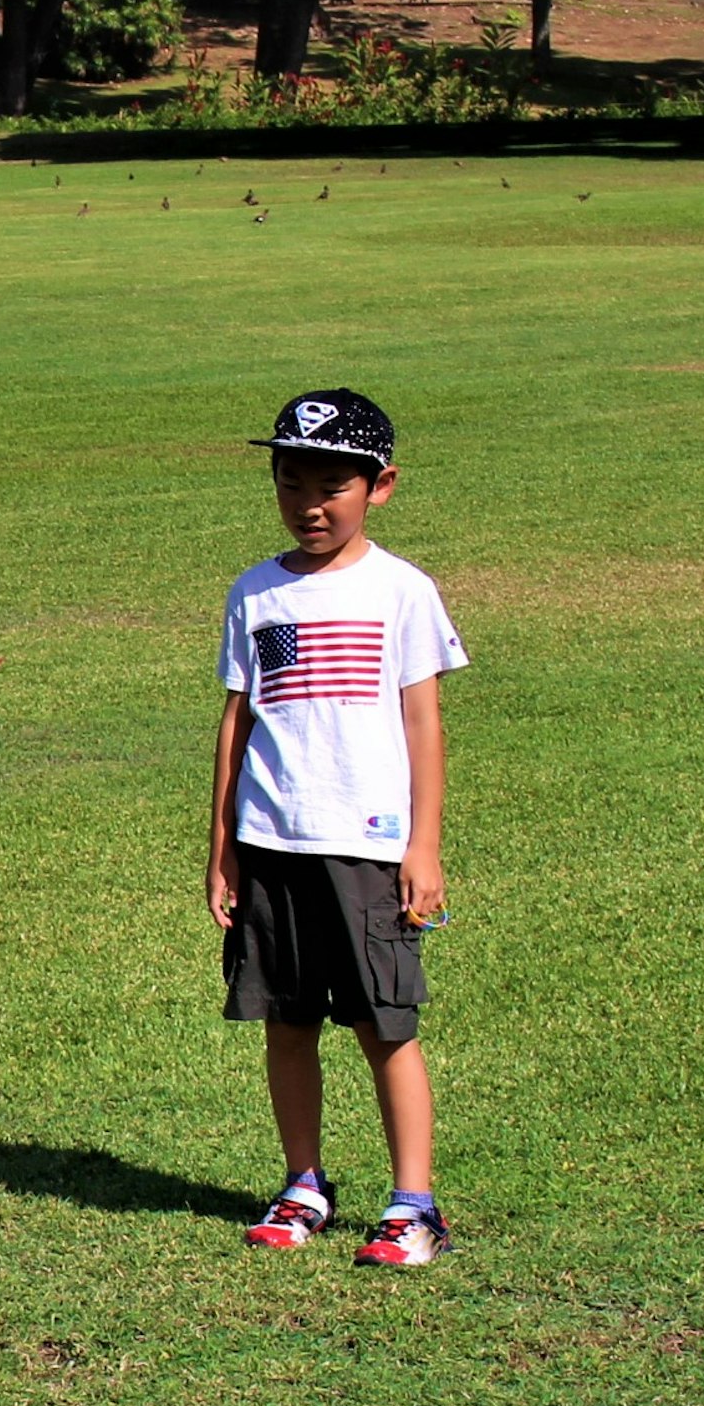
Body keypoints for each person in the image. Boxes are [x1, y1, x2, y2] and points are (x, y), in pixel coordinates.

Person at [202, 390, 466, 1268]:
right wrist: (223, 851)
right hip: (273, 840)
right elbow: (239, 723)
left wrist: (421, 846)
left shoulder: (401, 592)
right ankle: (304, 1182)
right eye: (290, 480)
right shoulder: (257, 593)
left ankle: (413, 1204)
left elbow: (422, 723)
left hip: (367, 843)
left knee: (383, 1022)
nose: (310, 502)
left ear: (379, 487)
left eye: (332, 484)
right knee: (286, 1020)